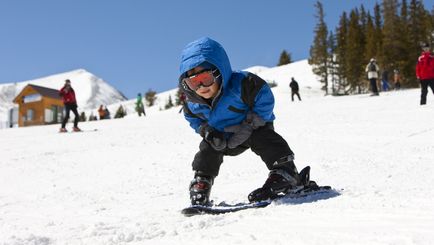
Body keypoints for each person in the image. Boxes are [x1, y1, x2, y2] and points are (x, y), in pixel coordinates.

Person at [178, 37, 304, 206]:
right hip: (222, 137)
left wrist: (251, 123)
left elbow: (264, 97)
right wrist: (206, 130)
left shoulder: (243, 84)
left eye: (206, 78)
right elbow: (192, 118)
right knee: (207, 148)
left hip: (252, 128)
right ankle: (202, 181)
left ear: (219, 71)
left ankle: (286, 173)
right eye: (193, 82)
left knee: (265, 138)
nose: (201, 86)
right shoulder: (192, 102)